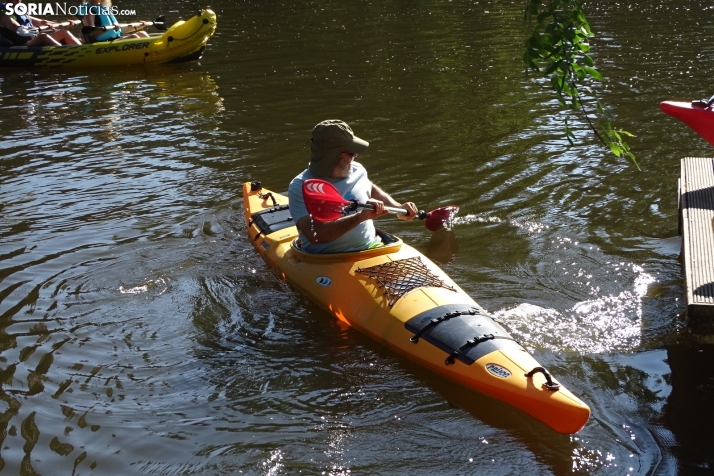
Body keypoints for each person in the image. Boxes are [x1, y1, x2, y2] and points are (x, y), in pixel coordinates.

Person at [288, 120, 419, 254]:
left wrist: (398, 208)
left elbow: (370, 188)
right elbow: (316, 235)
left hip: (372, 249)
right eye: (351, 152)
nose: (356, 155)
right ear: (332, 156)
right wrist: (360, 217)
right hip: (324, 259)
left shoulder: (357, 170)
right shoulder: (300, 186)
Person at [0, 0, 81, 46]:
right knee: (43, 36)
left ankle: (80, 49)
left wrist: (61, 26)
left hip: (32, 40)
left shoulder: (20, 9)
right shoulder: (5, 13)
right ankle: (65, 53)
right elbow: (15, 27)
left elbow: (42, 22)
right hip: (22, 44)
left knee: (63, 32)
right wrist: (35, 29)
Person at [78, 0, 149, 43]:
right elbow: (92, 34)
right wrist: (109, 29)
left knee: (143, 33)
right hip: (102, 43)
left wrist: (138, 27)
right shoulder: (89, 12)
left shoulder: (105, 8)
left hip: (115, 39)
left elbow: (119, 31)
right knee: (134, 37)